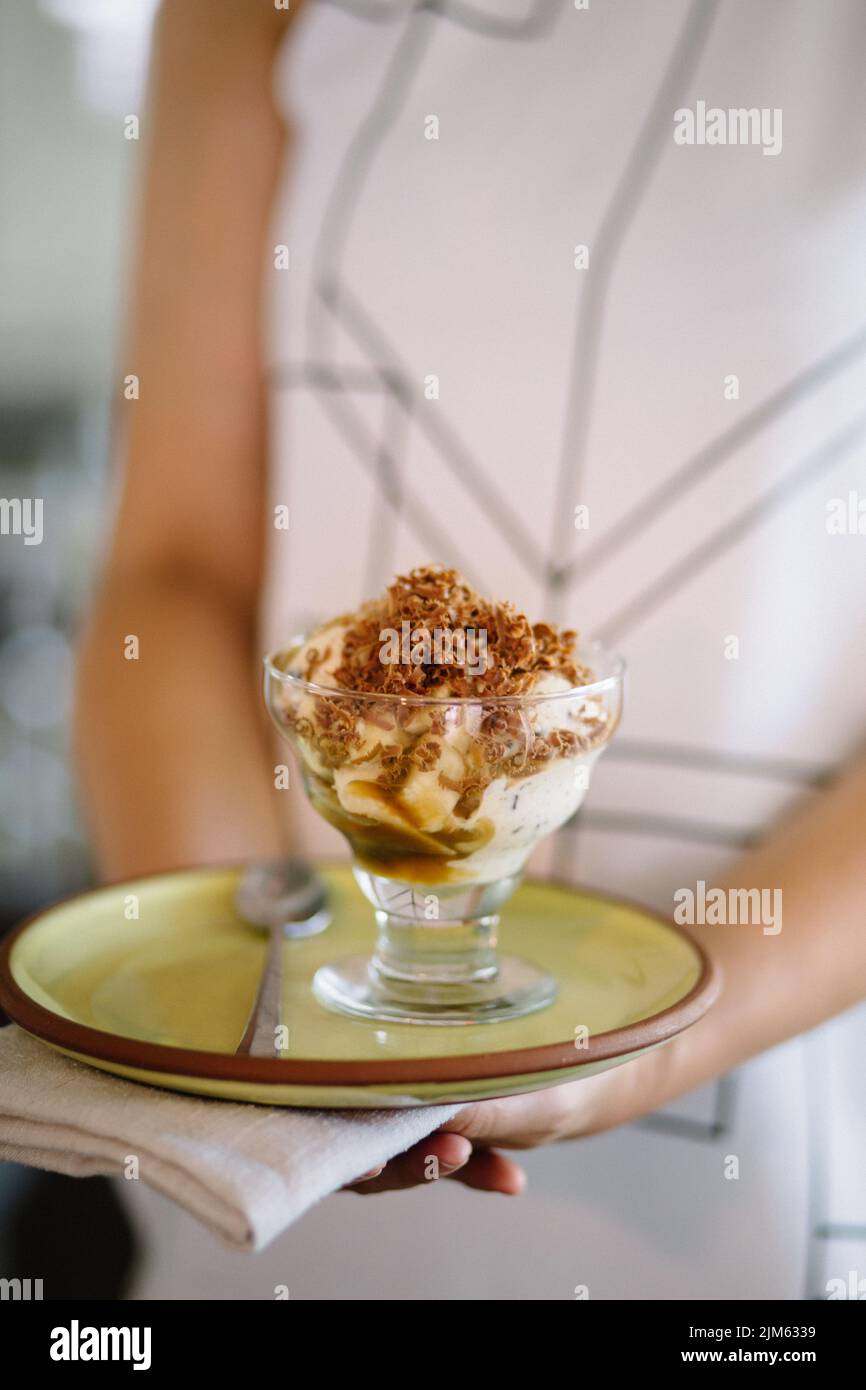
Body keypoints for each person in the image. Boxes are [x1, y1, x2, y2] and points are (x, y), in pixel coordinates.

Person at [75, 0, 866, 1296]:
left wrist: (653, 1039)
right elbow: (175, 567)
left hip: (762, 1157)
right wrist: (245, 1011)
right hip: (290, 1163)